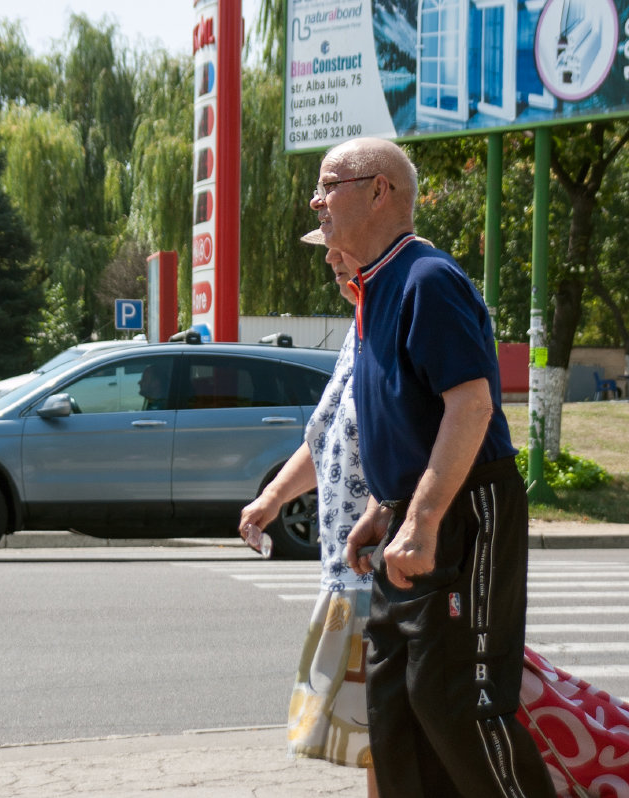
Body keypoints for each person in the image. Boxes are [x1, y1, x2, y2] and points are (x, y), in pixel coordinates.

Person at [313, 137, 557, 798]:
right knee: (396, 713)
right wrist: (381, 512)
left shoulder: (427, 278)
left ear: (379, 190)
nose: (317, 200)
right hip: (407, 518)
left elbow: (471, 405)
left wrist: (421, 519)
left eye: (330, 183)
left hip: (463, 512)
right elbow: (406, 419)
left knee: (457, 703)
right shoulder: (374, 289)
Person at [238, 232, 379, 798]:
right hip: (353, 569)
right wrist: (272, 498)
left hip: (378, 566)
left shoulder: (395, 316)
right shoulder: (361, 328)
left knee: (391, 726)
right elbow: (327, 440)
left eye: (336, 244)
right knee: (378, 728)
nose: (328, 258)